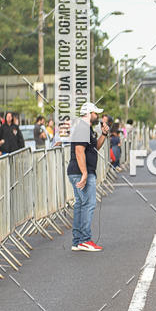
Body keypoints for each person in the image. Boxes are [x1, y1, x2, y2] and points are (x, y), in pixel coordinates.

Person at [67, 101, 109, 252]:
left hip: (81, 171)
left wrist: (104, 134)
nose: (97, 116)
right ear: (88, 113)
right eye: (95, 113)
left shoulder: (87, 129)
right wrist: (84, 173)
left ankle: (78, 240)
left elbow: (94, 148)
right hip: (81, 172)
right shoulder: (82, 128)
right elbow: (79, 151)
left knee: (81, 204)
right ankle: (85, 239)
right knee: (88, 204)